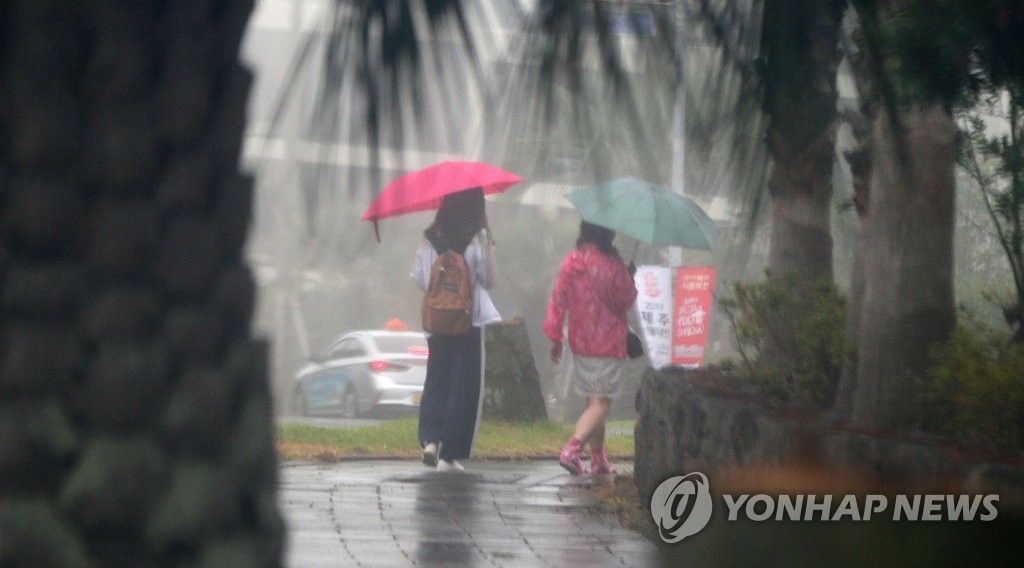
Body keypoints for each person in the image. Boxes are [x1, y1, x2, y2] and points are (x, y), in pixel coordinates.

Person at [411, 187, 500, 472]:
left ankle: (430, 439)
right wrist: (488, 251)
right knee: (464, 386)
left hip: (436, 322)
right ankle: (451, 454)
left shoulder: (430, 238)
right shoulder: (478, 238)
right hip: (468, 322)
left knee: (436, 379)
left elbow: (418, 278)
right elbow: (489, 279)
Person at [543, 221, 637, 475]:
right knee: (601, 403)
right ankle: (572, 450)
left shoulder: (572, 260)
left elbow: (558, 299)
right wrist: (630, 276)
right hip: (607, 343)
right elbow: (625, 299)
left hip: (580, 343)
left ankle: (598, 459)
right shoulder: (613, 264)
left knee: (593, 402)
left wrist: (555, 337)